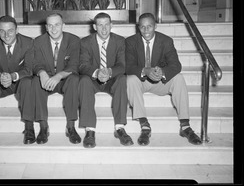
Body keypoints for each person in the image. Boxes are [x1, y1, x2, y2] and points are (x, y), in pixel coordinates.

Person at [125, 13, 202, 146]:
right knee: (130, 79)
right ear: (138, 28)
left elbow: (176, 65)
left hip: (160, 81)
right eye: (142, 27)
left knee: (179, 78)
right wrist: (145, 70)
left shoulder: (166, 41)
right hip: (141, 82)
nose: (146, 30)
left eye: (149, 26)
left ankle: (185, 126)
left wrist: (163, 72)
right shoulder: (130, 41)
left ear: (155, 26)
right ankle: (145, 126)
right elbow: (128, 66)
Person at [78, 12, 133, 148]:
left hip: (112, 79)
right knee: (84, 80)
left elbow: (122, 65)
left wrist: (109, 72)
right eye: (100, 25)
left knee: (122, 79)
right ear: (94, 27)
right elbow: (82, 65)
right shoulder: (85, 42)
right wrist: (96, 73)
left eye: (107, 24)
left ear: (111, 25)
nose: (104, 28)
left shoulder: (120, 41)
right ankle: (90, 130)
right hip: (94, 80)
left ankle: (119, 127)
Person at [24, 13, 81, 145]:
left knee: (74, 80)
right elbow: (35, 63)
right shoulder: (38, 42)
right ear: (46, 27)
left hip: (64, 78)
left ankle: (71, 126)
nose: (54, 29)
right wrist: (42, 73)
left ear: (63, 26)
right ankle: (43, 127)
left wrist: (59, 75)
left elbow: (74, 65)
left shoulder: (73, 40)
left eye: (57, 25)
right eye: (50, 25)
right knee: (35, 81)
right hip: (47, 80)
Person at [0, 15, 34, 144]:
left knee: (28, 82)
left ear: (17, 30)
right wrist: (0, 76)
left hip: (20, 81)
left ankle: (29, 127)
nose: (6, 35)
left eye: (10, 30)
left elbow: (29, 69)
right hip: (2, 82)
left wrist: (13, 76)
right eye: (2, 31)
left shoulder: (28, 43)